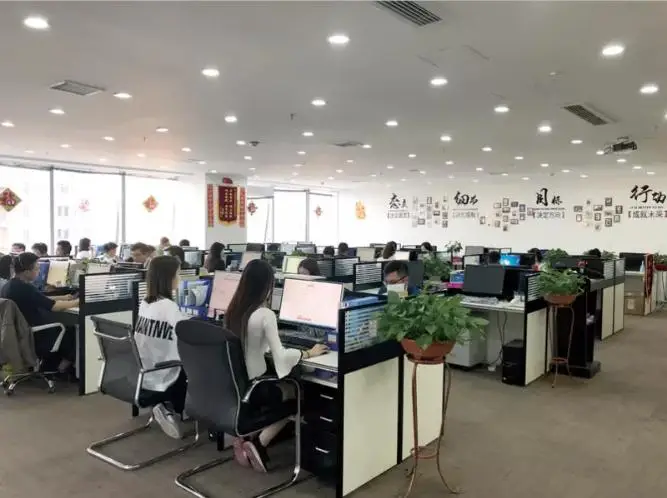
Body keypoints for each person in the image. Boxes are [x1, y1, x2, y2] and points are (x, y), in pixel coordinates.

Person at [225, 259, 327, 472]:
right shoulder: (265, 314)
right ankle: (259, 442)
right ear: (267, 286)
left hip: (238, 384)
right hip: (256, 387)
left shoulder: (233, 310)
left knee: (287, 387)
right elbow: (280, 357)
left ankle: (248, 437)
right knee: (299, 393)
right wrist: (309, 352)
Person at [134, 255, 189, 440]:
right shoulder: (168, 306)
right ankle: (171, 407)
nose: (179, 278)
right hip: (164, 373)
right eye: (178, 274)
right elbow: (187, 332)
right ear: (168, 278)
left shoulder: (145, 303)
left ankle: (162, 406)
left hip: (143, 372)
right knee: (203, 365)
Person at [0, 252, 79, 373]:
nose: (39, 272)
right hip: (33, 335)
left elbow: (39, 298)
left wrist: (64, 297)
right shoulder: (26, 288)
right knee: (72, 331)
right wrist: (78, 302)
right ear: (27, 272)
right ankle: (61, 369)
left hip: (18, 333)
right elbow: (55, 307)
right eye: (37, 269)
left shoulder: (9, 285)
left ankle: (49, 367)